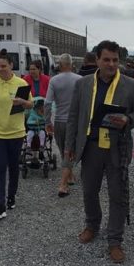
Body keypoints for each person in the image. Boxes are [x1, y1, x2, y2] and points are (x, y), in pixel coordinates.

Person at [65, 40, 134, 264]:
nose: (111, 64)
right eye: (107, 60)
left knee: (117, 194)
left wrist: (128, 119)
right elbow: (73, 116)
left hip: (116, 147)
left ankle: (115, 240)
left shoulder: (131, 85)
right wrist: (70, 146)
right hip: (90, 147)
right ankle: (92, 225)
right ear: (97, 60)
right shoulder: (83, 84)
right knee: (89, 191)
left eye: (115, 60)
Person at [0, 50, 33, 221]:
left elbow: (30, 104)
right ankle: (0, 205)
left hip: (16, 132)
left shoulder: (21, 83)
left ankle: (11, 196)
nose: (0, 69)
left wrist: (23, 102)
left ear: (11, 65)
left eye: (3, 66)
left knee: (13, 167)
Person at [45, 53, 82, 197]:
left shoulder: (54, 80)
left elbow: (47, 103)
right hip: (75, 122)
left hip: (59, 121)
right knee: (69, 151)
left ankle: (64, 182)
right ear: (71, 64)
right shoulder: (79, 80)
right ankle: (67, 180)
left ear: (59, 65)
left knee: (64, 151)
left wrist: (47, 121)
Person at [26, 97, 47, 164]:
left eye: (42, 110)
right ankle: (28, 146)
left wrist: (43, 121)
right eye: (40, 109)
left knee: (42, 133)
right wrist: (34, 122)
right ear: (37, 109)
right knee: (29, 134)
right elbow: (28, 122)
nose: (41, 111)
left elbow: (46, 122)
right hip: (32, 129)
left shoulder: (44, 115)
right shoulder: (33, 114)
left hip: (40, 130)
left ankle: (41, 146)